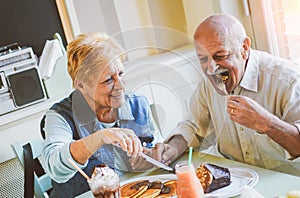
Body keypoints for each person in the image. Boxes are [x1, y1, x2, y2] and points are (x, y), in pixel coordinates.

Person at [152, 14, 300, 176]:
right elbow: (193, 126)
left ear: (244, 48)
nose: (211, 69)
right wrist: (172, 148)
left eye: (220, 56)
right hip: (233, 181)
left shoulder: (289, 80)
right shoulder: (208, 85)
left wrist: (267, 123)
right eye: (203, 59)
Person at [40, 32, 161, 197]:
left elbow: (152, 148)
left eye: (121, 74)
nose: (121, 86)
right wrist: (100, 137)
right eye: (108, 80)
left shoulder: (137, 104)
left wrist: (151, 157)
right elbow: (55, 168)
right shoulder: (59, 116)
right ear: (81, 85)